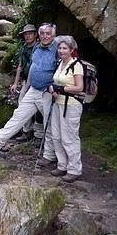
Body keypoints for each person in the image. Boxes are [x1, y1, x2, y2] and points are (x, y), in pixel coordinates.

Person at [0, 23, 58, 165]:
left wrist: (56, 88)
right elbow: (31, 69)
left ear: (53, 35)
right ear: (39, 35)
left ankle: (49, 155)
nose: (45, 36)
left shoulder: (57, 48)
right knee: (19, 115)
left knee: (50, 123)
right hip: (33, 89)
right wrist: (27, 86)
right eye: (43, 33)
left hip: (47, 92)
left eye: (48, 33)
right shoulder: (37, 48)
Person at [48, 35, 84, 183]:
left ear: (71, 50)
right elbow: (56, 82)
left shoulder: (76, 65)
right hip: (58, 103)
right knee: (56, 136)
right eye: (60, 48)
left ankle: (74, 169)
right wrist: (53, 89)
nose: (61, 50)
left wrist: (61, 88)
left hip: (71, 106)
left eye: (65, 48)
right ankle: (62, 165)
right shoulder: (60, 63)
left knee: (69, 137)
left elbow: (79, 87)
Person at [9, 24, 42, 142]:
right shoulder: (24, 48)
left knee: (39, 107)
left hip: (38, 82)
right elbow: (20, 66)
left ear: (35, 35)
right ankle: (27, 131)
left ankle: (38, 133)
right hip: (26, 81)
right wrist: (15, 83)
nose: (27, 36)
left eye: (30, 34)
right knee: (22, 103)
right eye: (26, 34)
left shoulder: (39, 48)